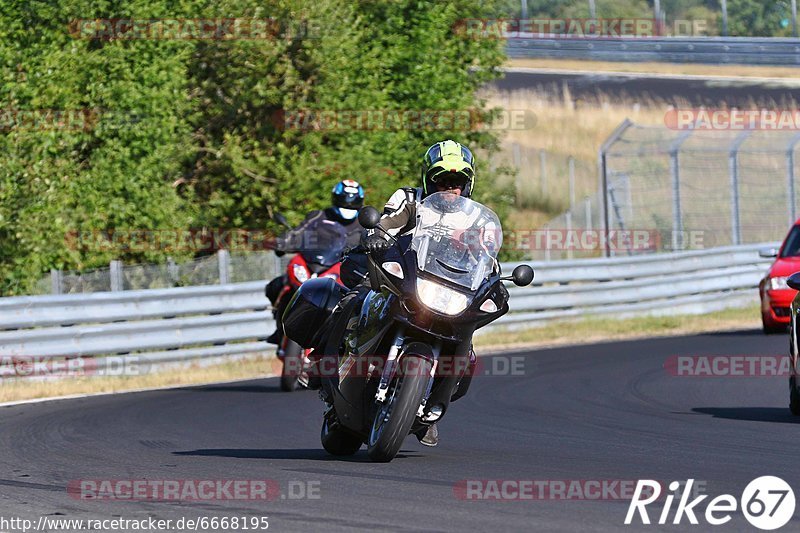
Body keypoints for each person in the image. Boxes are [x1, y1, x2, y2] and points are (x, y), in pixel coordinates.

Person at [314, 140, 480, 448]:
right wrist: (377, 235)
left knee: (468, 350)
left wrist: (493, 276)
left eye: (456, 181)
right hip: (399, 276)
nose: (450, 188)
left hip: (443, 289)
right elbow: (387, 222)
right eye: (442, 180)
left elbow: (486, 256)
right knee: (354, 299)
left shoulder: (475, 219)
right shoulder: (411, 199)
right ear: (428, 179)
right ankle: (321, 361)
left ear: (468, 183)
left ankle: (430, 406)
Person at [265, 180, 365, 345]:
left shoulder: (364, 221)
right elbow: (299, 232)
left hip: (344, 270)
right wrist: (283, 242)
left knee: (359, 299)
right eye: (345, 200)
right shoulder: (319, 216)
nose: (348, 204)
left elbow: (376, 240)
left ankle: (347, 341)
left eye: (353, 201)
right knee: (276, 286)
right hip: (314, 264)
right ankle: (279, 328)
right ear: (335, 197)